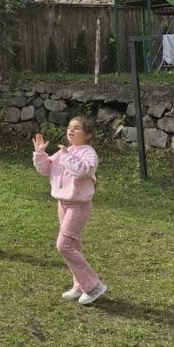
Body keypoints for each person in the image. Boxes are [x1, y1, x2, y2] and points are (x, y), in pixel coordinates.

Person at [32, 116, 107, 305]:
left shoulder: (88, 153)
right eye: (69, 127)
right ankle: (80, 285)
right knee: (73, 245)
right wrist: (40, 153)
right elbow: (45, 170)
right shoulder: (65, 151)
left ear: (88, 134)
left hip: (79, 205)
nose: (71, 131)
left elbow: (81, 170)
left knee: (64, 245)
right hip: (62, 204)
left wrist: (66, 156)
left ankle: (94, 285)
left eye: (77, 128)